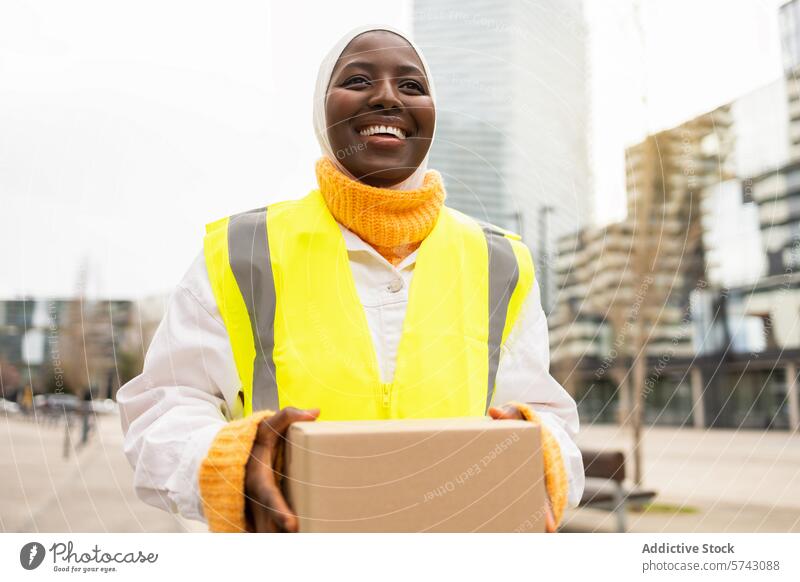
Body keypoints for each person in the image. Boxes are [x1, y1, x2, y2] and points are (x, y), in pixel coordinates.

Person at [118, 25, 584, 533]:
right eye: (358, 79)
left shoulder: (501, 263)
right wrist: (225, 461)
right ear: (322, 110)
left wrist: (540, 454)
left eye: (412, 85)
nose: (386, 96)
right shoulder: (240, 252)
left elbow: (548, 415)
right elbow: (161, 410)